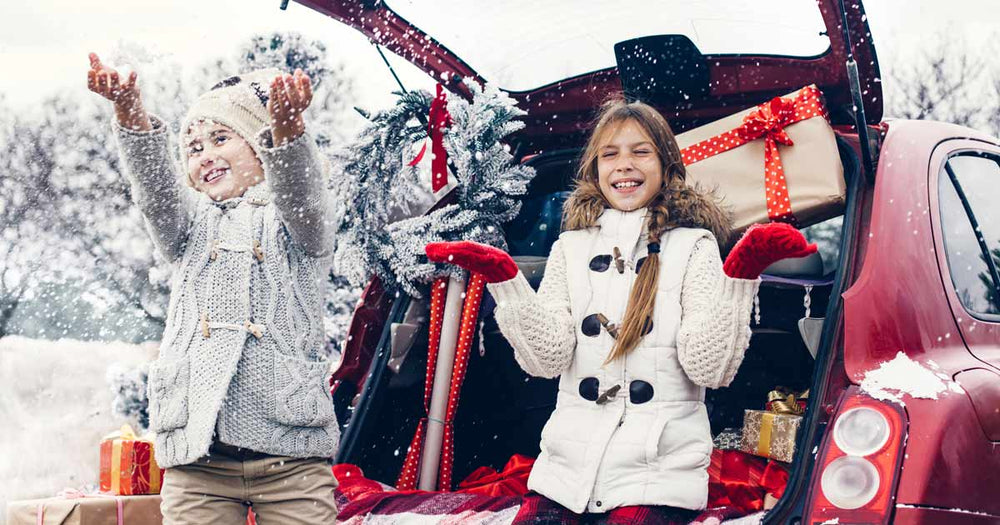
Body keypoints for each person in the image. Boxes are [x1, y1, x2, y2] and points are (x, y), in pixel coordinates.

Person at [426, 98, 814, 524]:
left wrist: (740, 277)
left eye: (640, 151)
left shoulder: (693, 246)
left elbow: (710, 370)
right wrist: (506, 281)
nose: (624, 165)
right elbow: (545, 360)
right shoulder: (569, 248)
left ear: (666, 165)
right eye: (610, 154)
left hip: (658, 473)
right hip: (566, 472)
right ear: (595, 169)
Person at [87, 53, 339, 524]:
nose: (204, 155)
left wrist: (286, 132)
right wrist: (129, 112)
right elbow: (155, 187)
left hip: (291, 460)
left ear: (260, 145)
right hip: (199, 464)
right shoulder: (187, 226)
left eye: (220, 138)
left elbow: (300, 190)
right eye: (193, 148)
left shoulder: (298, 227)